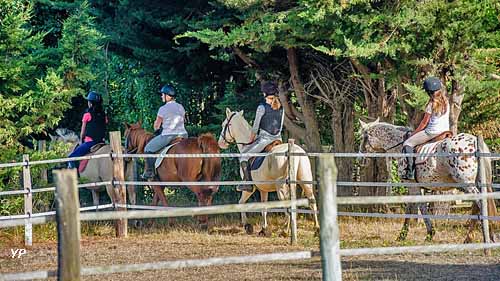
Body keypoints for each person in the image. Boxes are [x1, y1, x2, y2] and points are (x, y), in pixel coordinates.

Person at [237, 81, 284, 191]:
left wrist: (251, 139)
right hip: (278, 139)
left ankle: (248, 184)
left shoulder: (261, 107)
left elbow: (255, 128)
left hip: (265, 140)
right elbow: (280, 126)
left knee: (243, 155)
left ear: (264, 94)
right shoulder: (281, 108)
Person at [402, 76, 450, 180]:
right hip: (445, 130)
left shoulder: (431, 104)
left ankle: (410, 172)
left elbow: (424, 122)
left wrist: (414, 133)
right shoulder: (446, 101)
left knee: (407, 143)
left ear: (428, 92)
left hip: (432, 132)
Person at [142, 84, 188, 179]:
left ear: (168, 96)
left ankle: (150, 172)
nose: (161, 96)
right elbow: (183, 120)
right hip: (183, 135)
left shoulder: (163, 109)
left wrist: (157, 129)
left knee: (148, 148)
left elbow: (156, 126)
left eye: (163, 94)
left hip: (169, 135)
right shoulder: (181, 107)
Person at [68, 91, 107, 169]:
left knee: (71, 158)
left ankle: (75, 176)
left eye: (88, 102)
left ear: (91, 103)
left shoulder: (87, 115)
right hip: (102, 142)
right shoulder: (104, 115)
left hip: (90, 142)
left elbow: (82, 133)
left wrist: (81, 140)